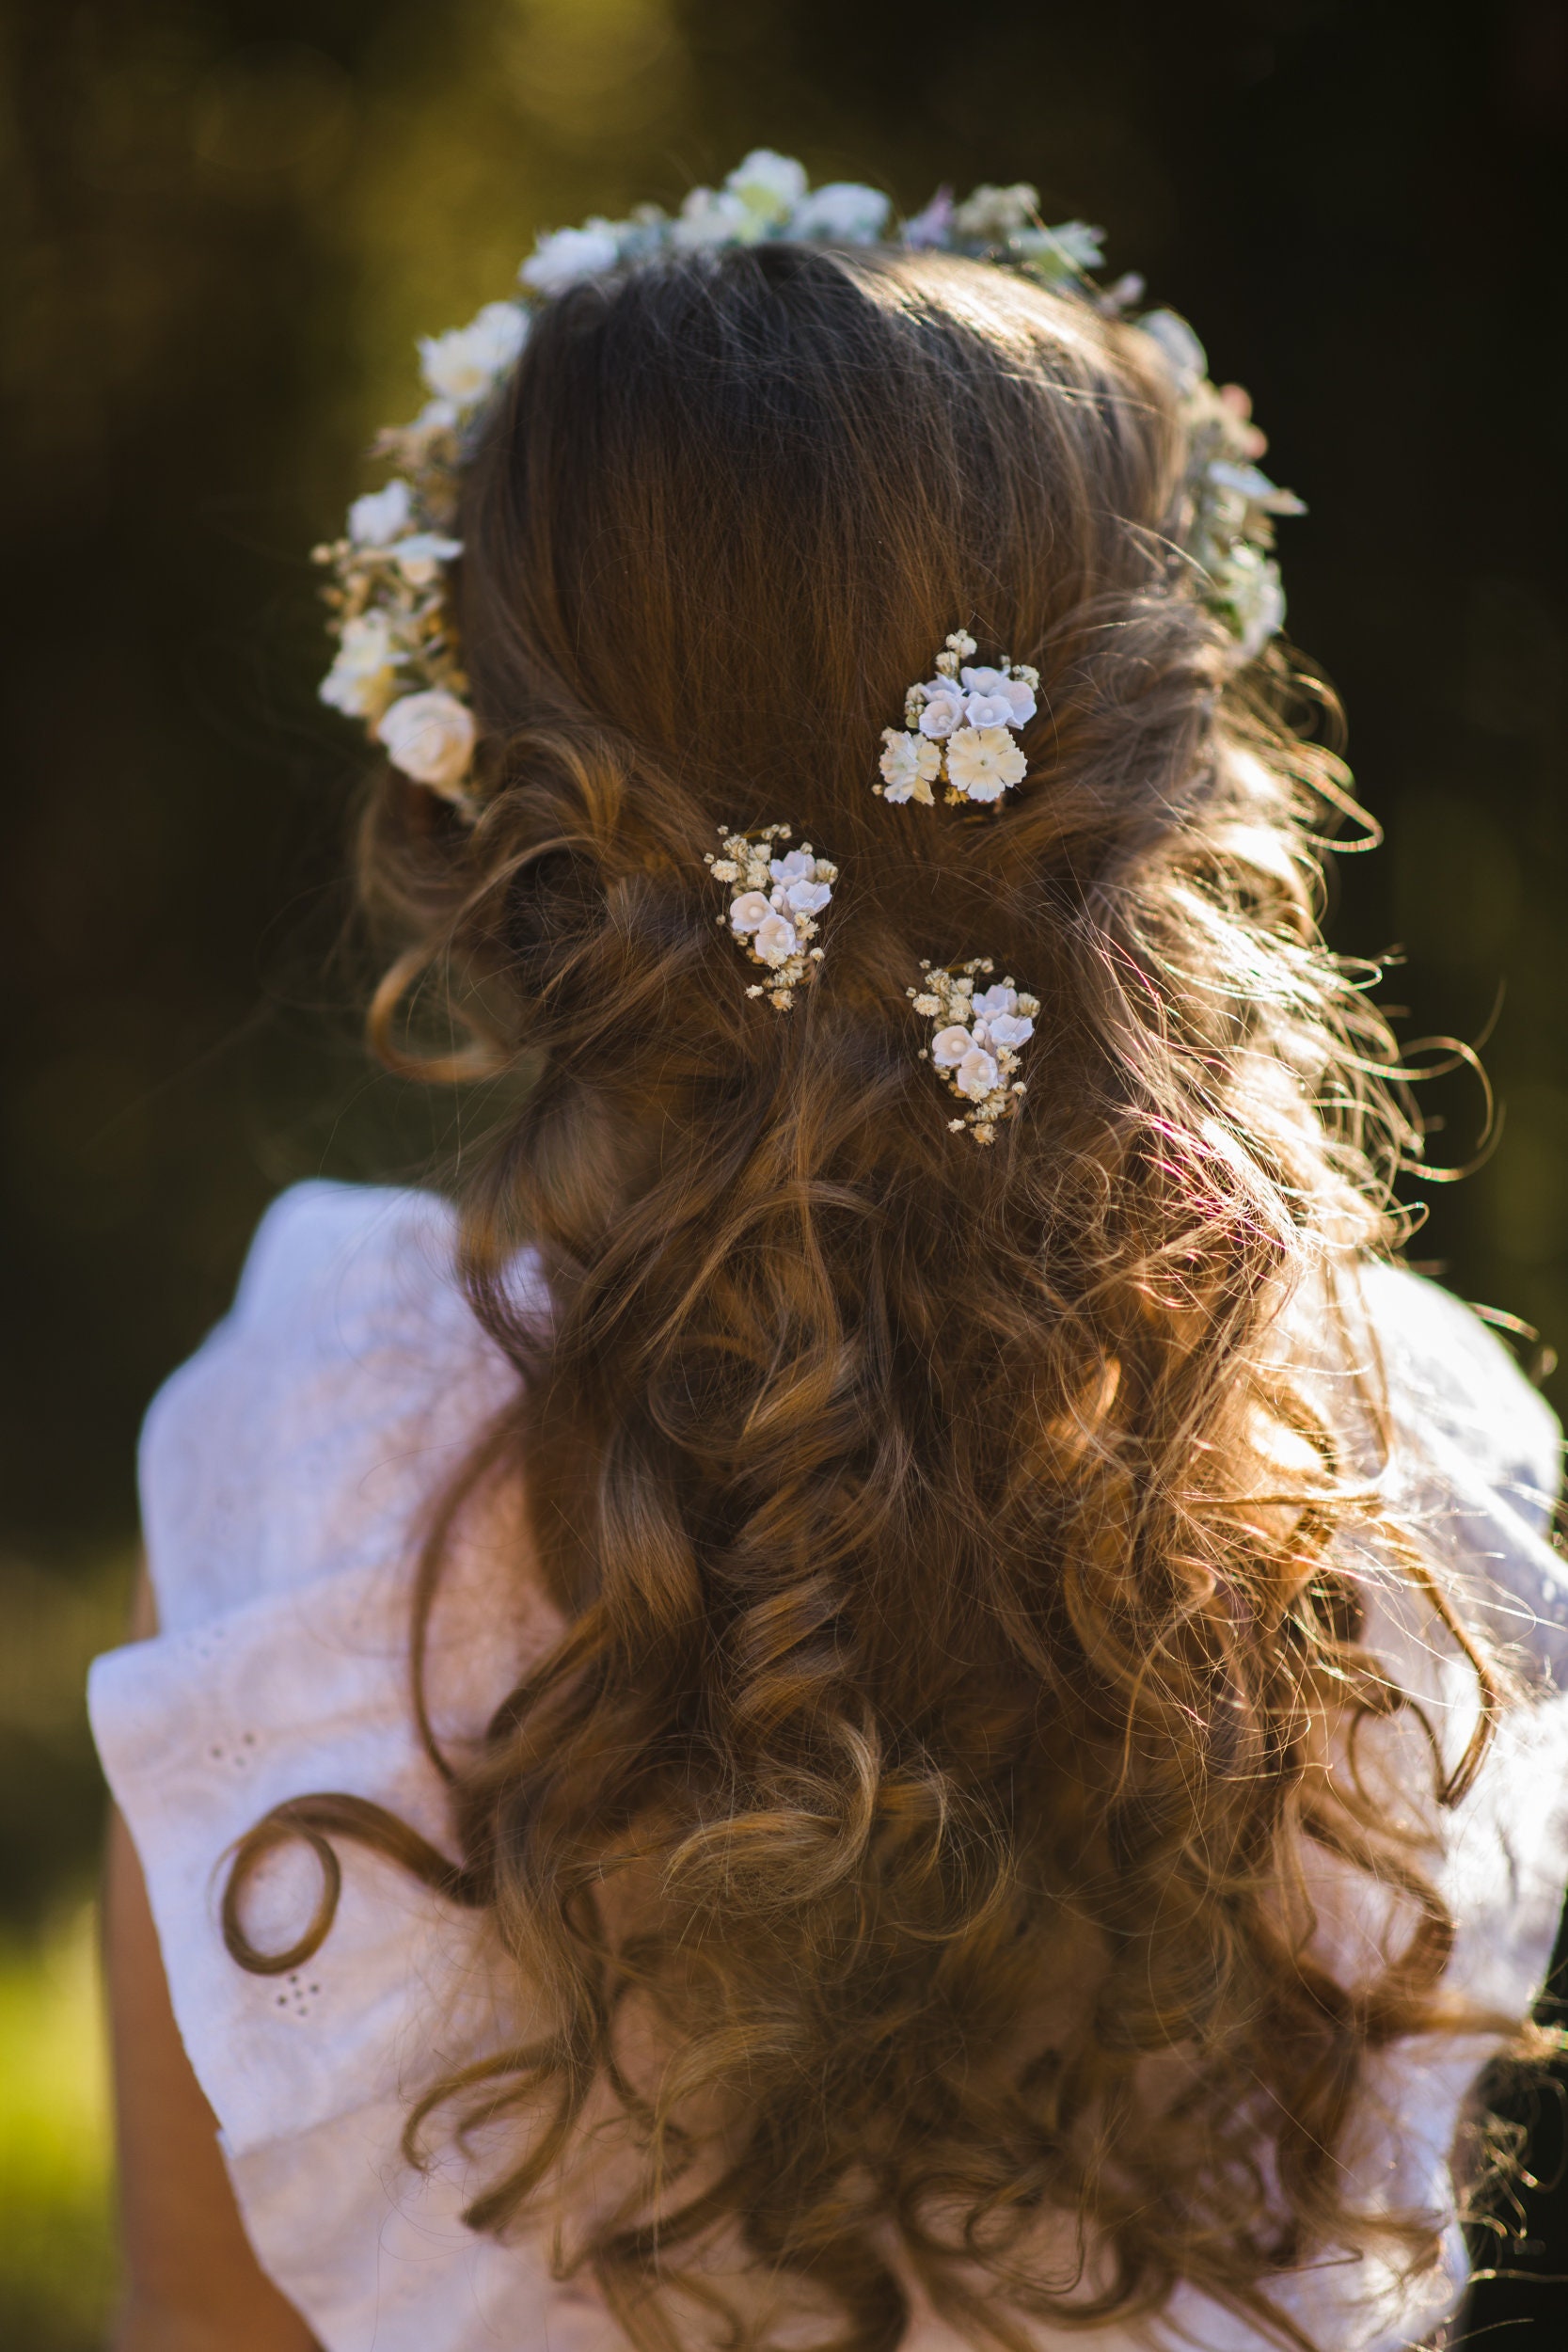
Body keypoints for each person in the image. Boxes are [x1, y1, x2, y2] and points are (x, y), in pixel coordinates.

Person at [90, 153, 1568, 2352]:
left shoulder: (310, 1478)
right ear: (1158, 780)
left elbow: (197, 2322)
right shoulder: (1398, 1466)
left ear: (496, 814)